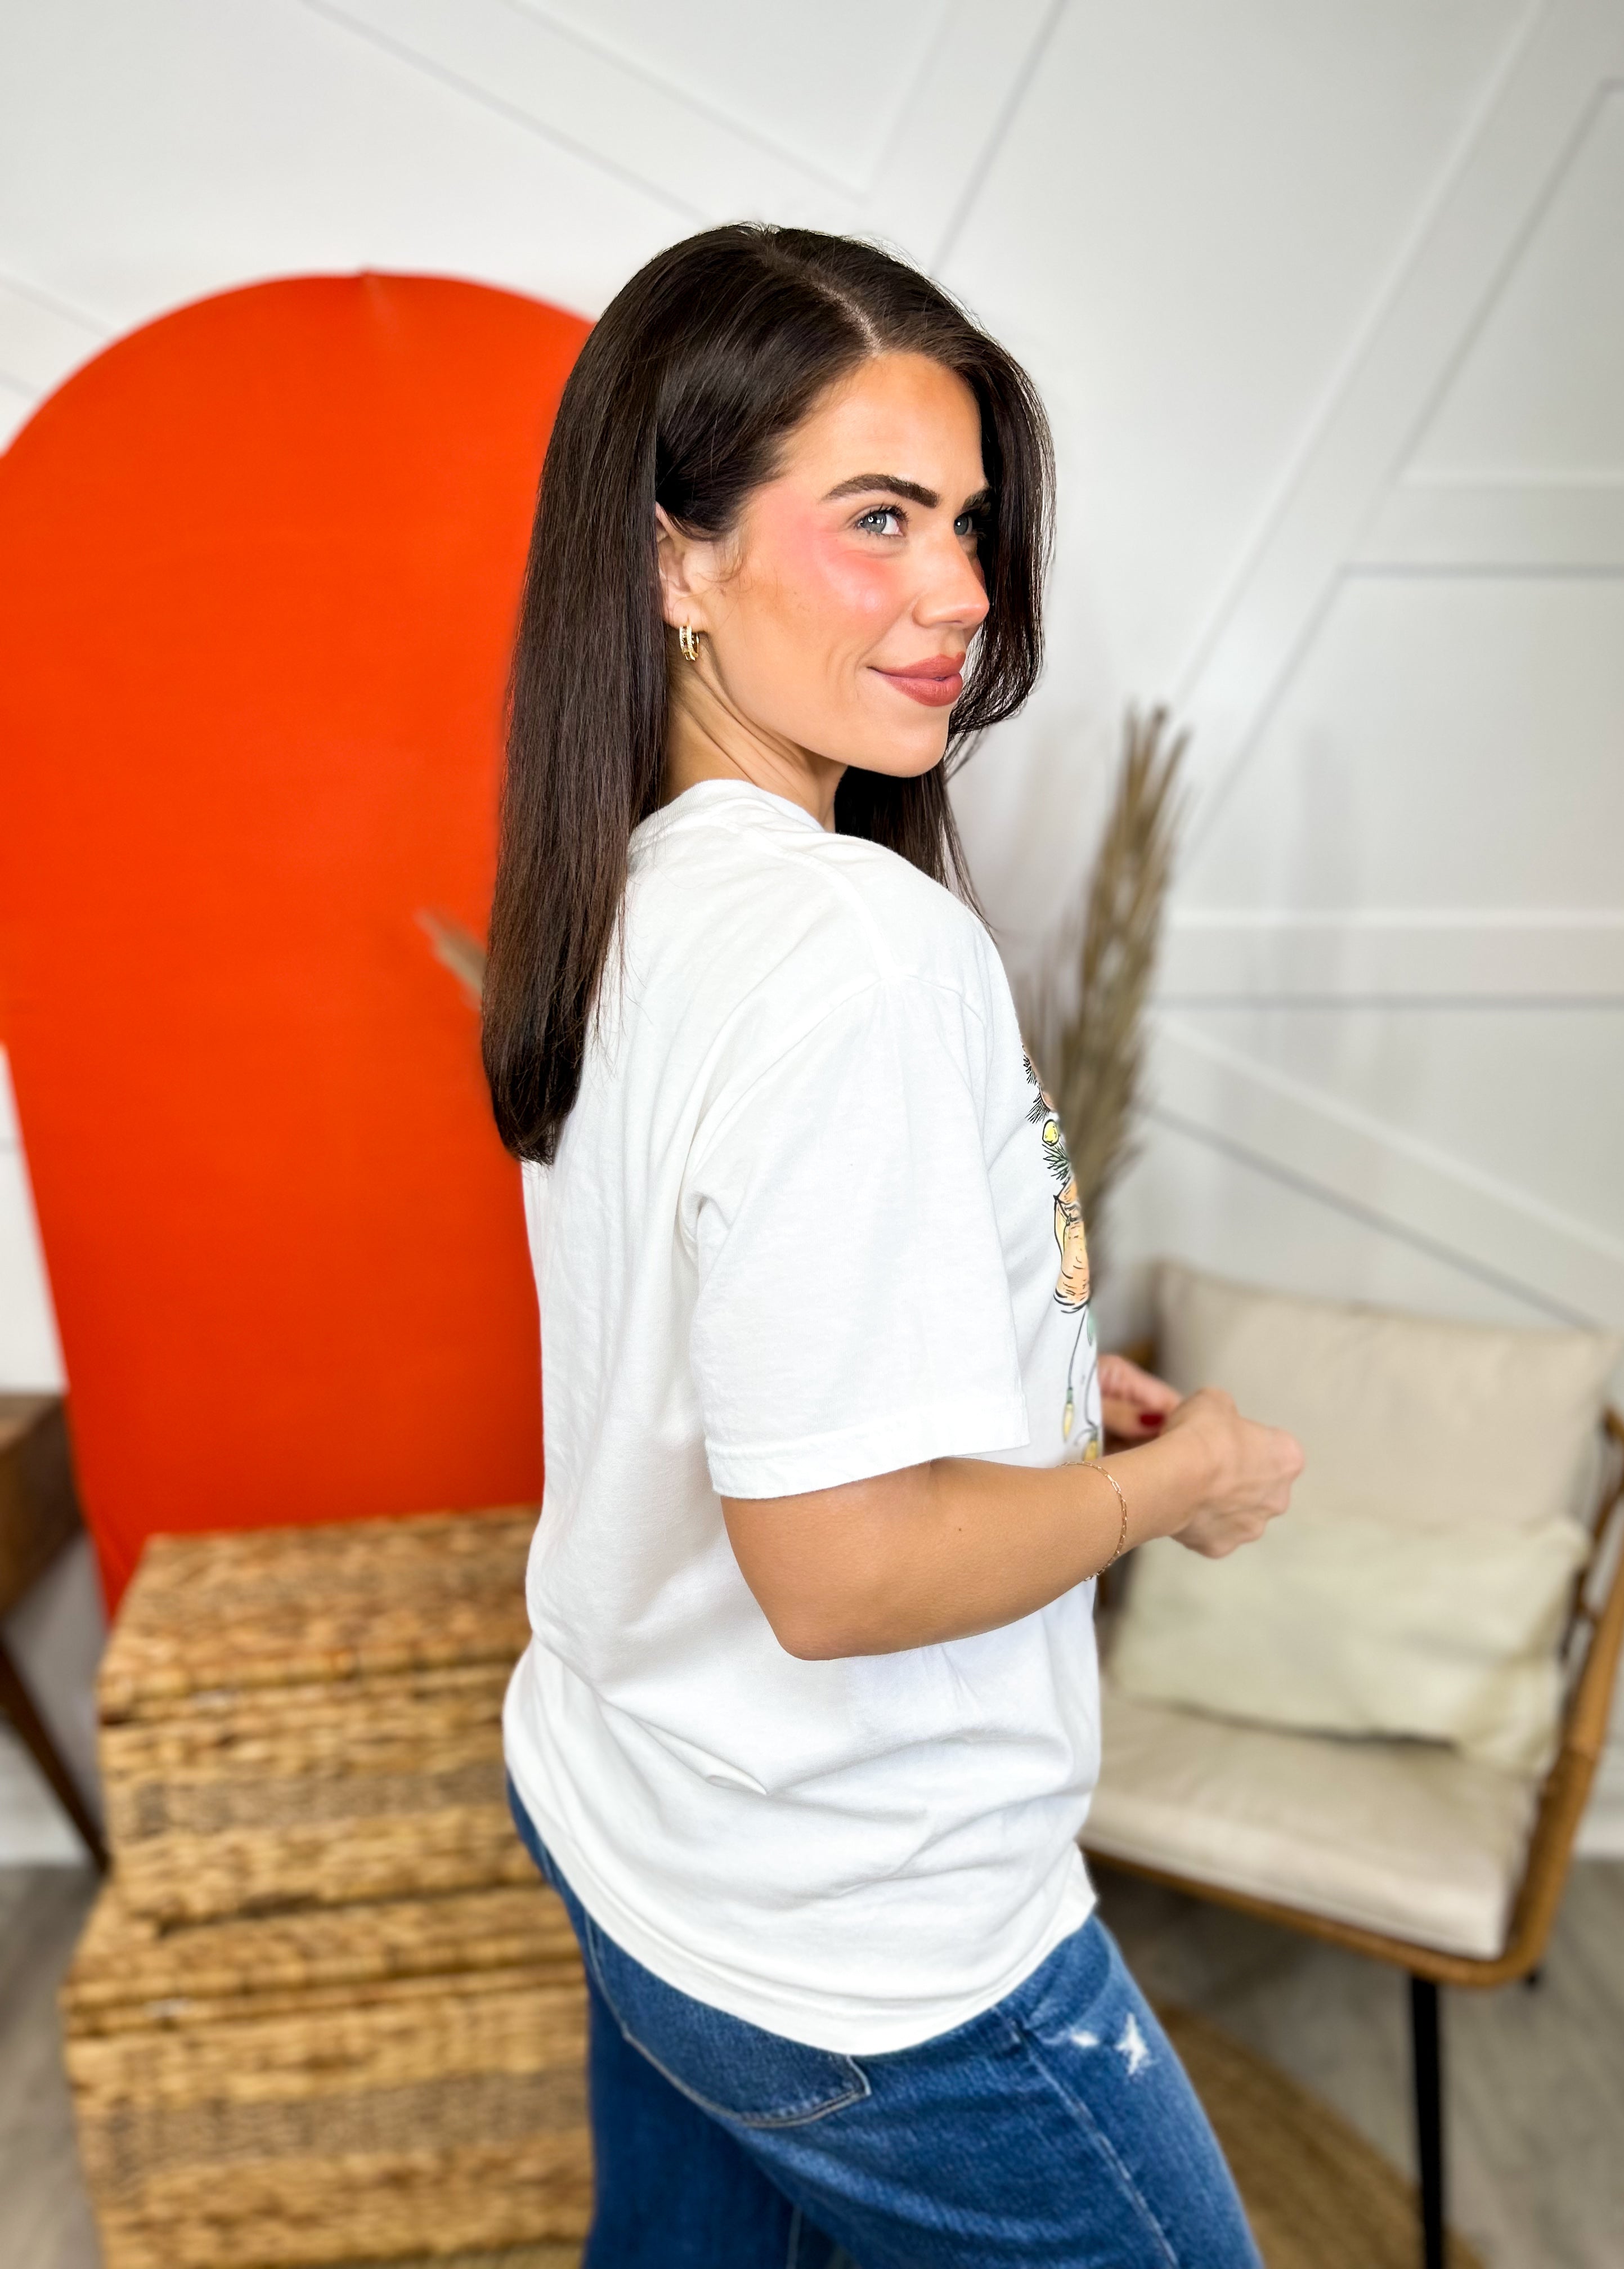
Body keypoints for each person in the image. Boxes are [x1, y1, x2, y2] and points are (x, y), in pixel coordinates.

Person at [483, 223, 1303, 2268]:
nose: (960, 593)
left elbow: (729, 1342)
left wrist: (1033, 1385)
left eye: (967, 521)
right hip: (875, 1941)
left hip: (637, 1822)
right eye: (877, 517)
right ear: (674, 562)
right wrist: (1177, 1479)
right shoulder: (859, 947)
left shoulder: (629, 897)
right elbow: (840, 1573)